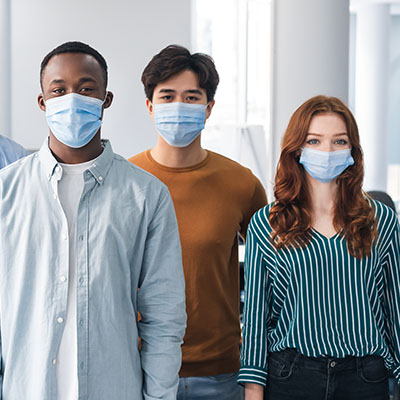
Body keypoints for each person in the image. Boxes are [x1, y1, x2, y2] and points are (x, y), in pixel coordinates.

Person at [0, 41, 186, 400]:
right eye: (59, 90)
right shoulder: (6, 192)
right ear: (42, 101)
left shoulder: (146, 195)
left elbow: (164, 318)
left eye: (86, 89)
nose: (72, 98)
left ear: (106, 98)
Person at [238, 95, 400, 400]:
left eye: (339, 142)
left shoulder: (381, 221)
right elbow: (257, 318)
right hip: (291, 377)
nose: (327, 151)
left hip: (365, 378)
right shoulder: (267, 223)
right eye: (314, 141)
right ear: (297, 149)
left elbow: (395, 310)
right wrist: (253, 392)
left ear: (353, 151)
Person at [129, 45, 267, 400]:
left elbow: (272, 274)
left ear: (209, 108)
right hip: (138, 366)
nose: (179, 106)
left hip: (220, 373)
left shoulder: (240, 182)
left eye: (192, 97)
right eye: (167, 96)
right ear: (150, 106)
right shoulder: (125, 180)